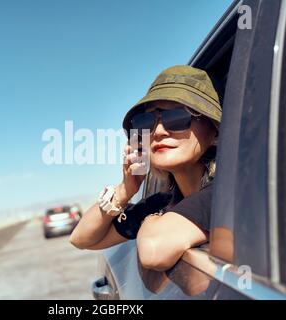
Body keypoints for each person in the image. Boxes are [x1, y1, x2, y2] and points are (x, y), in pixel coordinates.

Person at [69, 65, 222, 272]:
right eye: (146, 121)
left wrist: (150, 219)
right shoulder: (160, 202)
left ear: (215, 131)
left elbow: (153, 249)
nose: (158, 131)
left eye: (177, 117)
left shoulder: (225, 192)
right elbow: (81, 238)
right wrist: (125, 190)